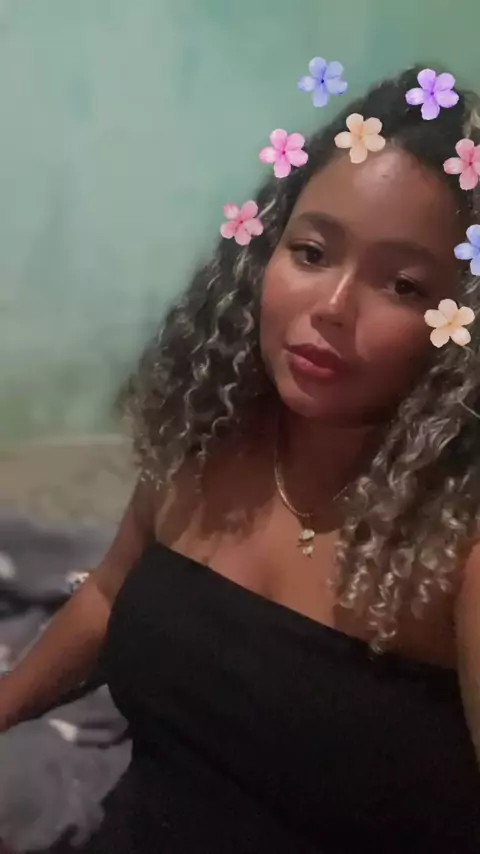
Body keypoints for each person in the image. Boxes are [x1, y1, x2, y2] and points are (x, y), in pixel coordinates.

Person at [1, 65, 480, 852]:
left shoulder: (460, 543)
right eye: (313, 252)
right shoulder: (209, 436)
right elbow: (109, 595)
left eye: (402, 284)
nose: (332, 308)